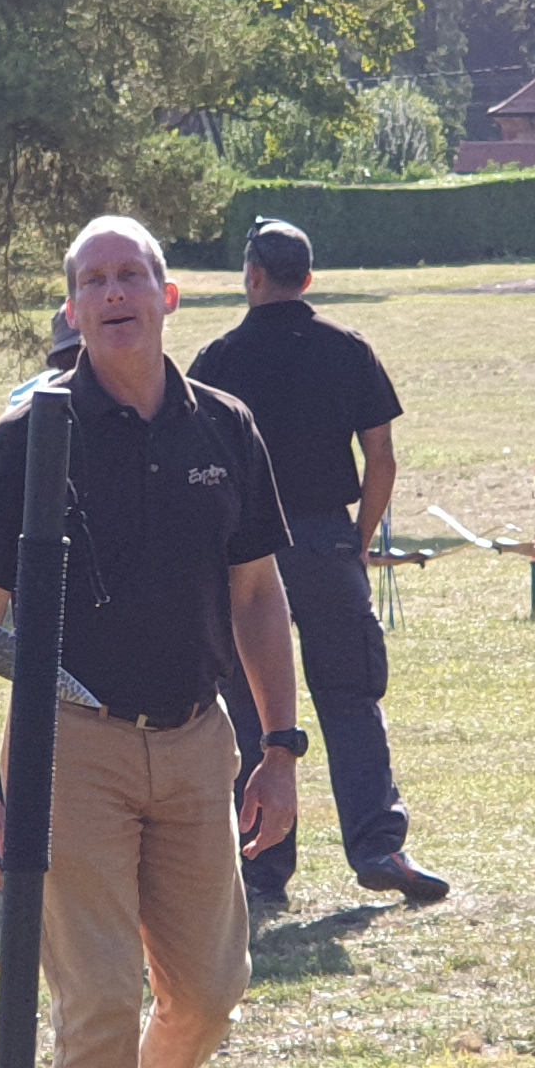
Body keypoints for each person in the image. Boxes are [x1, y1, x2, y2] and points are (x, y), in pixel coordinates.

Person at [0, 215, 306, 1068]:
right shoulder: (31, 436)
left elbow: (258, 595)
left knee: (209, 991)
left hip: (199, 741)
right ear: (72, 309)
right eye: (93, 281)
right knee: (99, 996)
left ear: (168, 296)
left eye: (131, 276)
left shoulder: (225, 426)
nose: (113, 294)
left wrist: (282, 748)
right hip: (72, 744)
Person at [195, 218, 450, 910]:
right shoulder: (348, 349)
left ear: (252, 276)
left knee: (252, 710)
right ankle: (377, 845)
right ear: (307, 279)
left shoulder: (217, 361)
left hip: (246, 554)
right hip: (325, 540)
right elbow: (382, 458)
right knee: (351, 698)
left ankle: (260, 866)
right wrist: (358, 539)